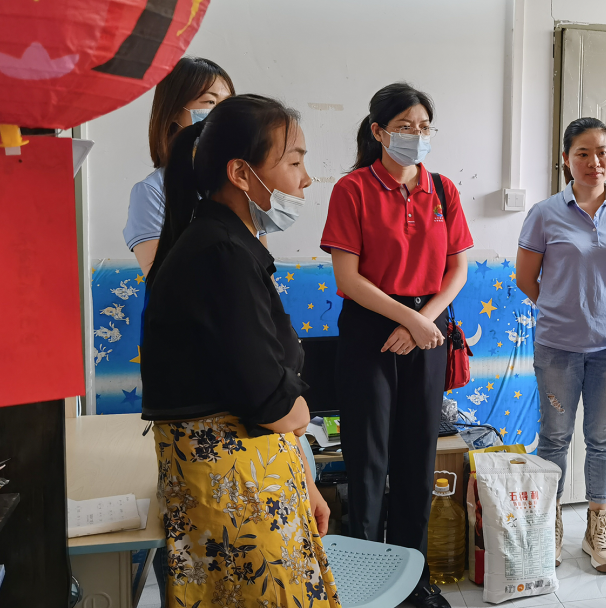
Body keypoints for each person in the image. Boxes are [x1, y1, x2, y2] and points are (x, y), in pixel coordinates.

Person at [141, 95, 339, 606]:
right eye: (293, 162)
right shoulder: (219, 252)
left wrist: (306, 482)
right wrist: (299, 410)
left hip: (252, 476)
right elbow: (267, 396)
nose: (305, 180)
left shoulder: (223, 243)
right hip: (234, 488)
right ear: (241, 173)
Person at [321, 83, 471, 608]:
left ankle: (413, 583)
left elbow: (458, 269)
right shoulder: (353, 189)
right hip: (371, 330)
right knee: (367, 462)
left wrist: (422, 322)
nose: (416, 136)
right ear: (378, 132)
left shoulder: (443, 190)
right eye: (405, 127)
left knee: (416, 458)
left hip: (427, 329)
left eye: (424, 127)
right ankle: (364, 585)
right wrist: (408, 318)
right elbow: (348, 277)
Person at [516, 117, 606, 574]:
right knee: (554, 437)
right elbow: (526, 278)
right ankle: (549, 524)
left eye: (603, 152)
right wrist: (563, 309)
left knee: (602, 438)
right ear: (566, 160)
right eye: (583, 153)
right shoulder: (544, 213)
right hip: (558, 346)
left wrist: (601, 312)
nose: (595, 162)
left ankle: (597, 527)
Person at [124, 56, 236, 277]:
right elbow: (161, 282)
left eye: (229, 103)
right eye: (210, 102)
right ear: (175, 111)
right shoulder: (152, 192)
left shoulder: (241, 181)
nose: (224, 112)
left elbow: (264, 275)